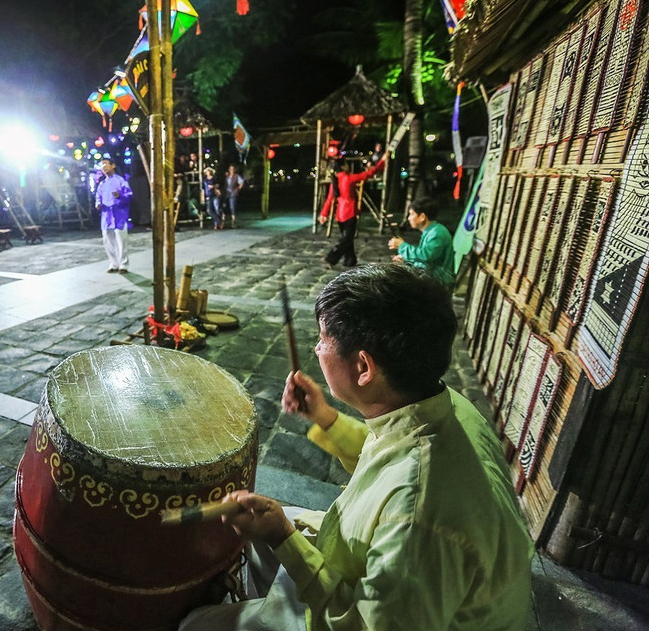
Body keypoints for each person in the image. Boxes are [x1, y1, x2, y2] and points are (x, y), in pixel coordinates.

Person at [181, 264, 534, 631]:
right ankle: (271, 608)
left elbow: (363, 625)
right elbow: (385, 453)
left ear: (364, 367)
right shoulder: (447, 405)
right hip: (399, 573)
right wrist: (325, 417)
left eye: (323, 338)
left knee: (195, 625)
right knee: (259, 535)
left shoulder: (418, 509)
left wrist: (283, 535)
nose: (316, 348)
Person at [318, 156, 386, 267]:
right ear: (342, 166)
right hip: (349, 212)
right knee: (346, 239)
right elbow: (369, 173)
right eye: (346, 164)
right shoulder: (349, 178)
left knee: (347, 239)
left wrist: (323, 214)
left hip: (340, 214)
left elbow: (329, 199)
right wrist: (382, 161)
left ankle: (350, 260)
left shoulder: (335, 180)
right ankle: (331, 258)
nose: (348, 166)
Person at [388, 197, 455, 289]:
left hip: (438, 284)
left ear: (422, 217)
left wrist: (402, 246)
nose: (409, 218)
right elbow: (425, 259)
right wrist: (406, 259)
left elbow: (426, 255)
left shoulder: (437, 233)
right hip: (432, 279)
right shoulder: (431, 231)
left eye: (411, 214)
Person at [95, 159, 133, 273]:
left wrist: (120, 196)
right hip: (106, 215)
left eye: (106, 164)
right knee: (108, 240)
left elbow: (129, 195)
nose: (104, 166)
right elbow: (98, 197)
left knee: (121, 240)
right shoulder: (102, 184)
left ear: (113, 165)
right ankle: (113, 263)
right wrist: (98, 203)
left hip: (119, 215)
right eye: (102, 165)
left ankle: (123, 264)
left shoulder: (121, 181)